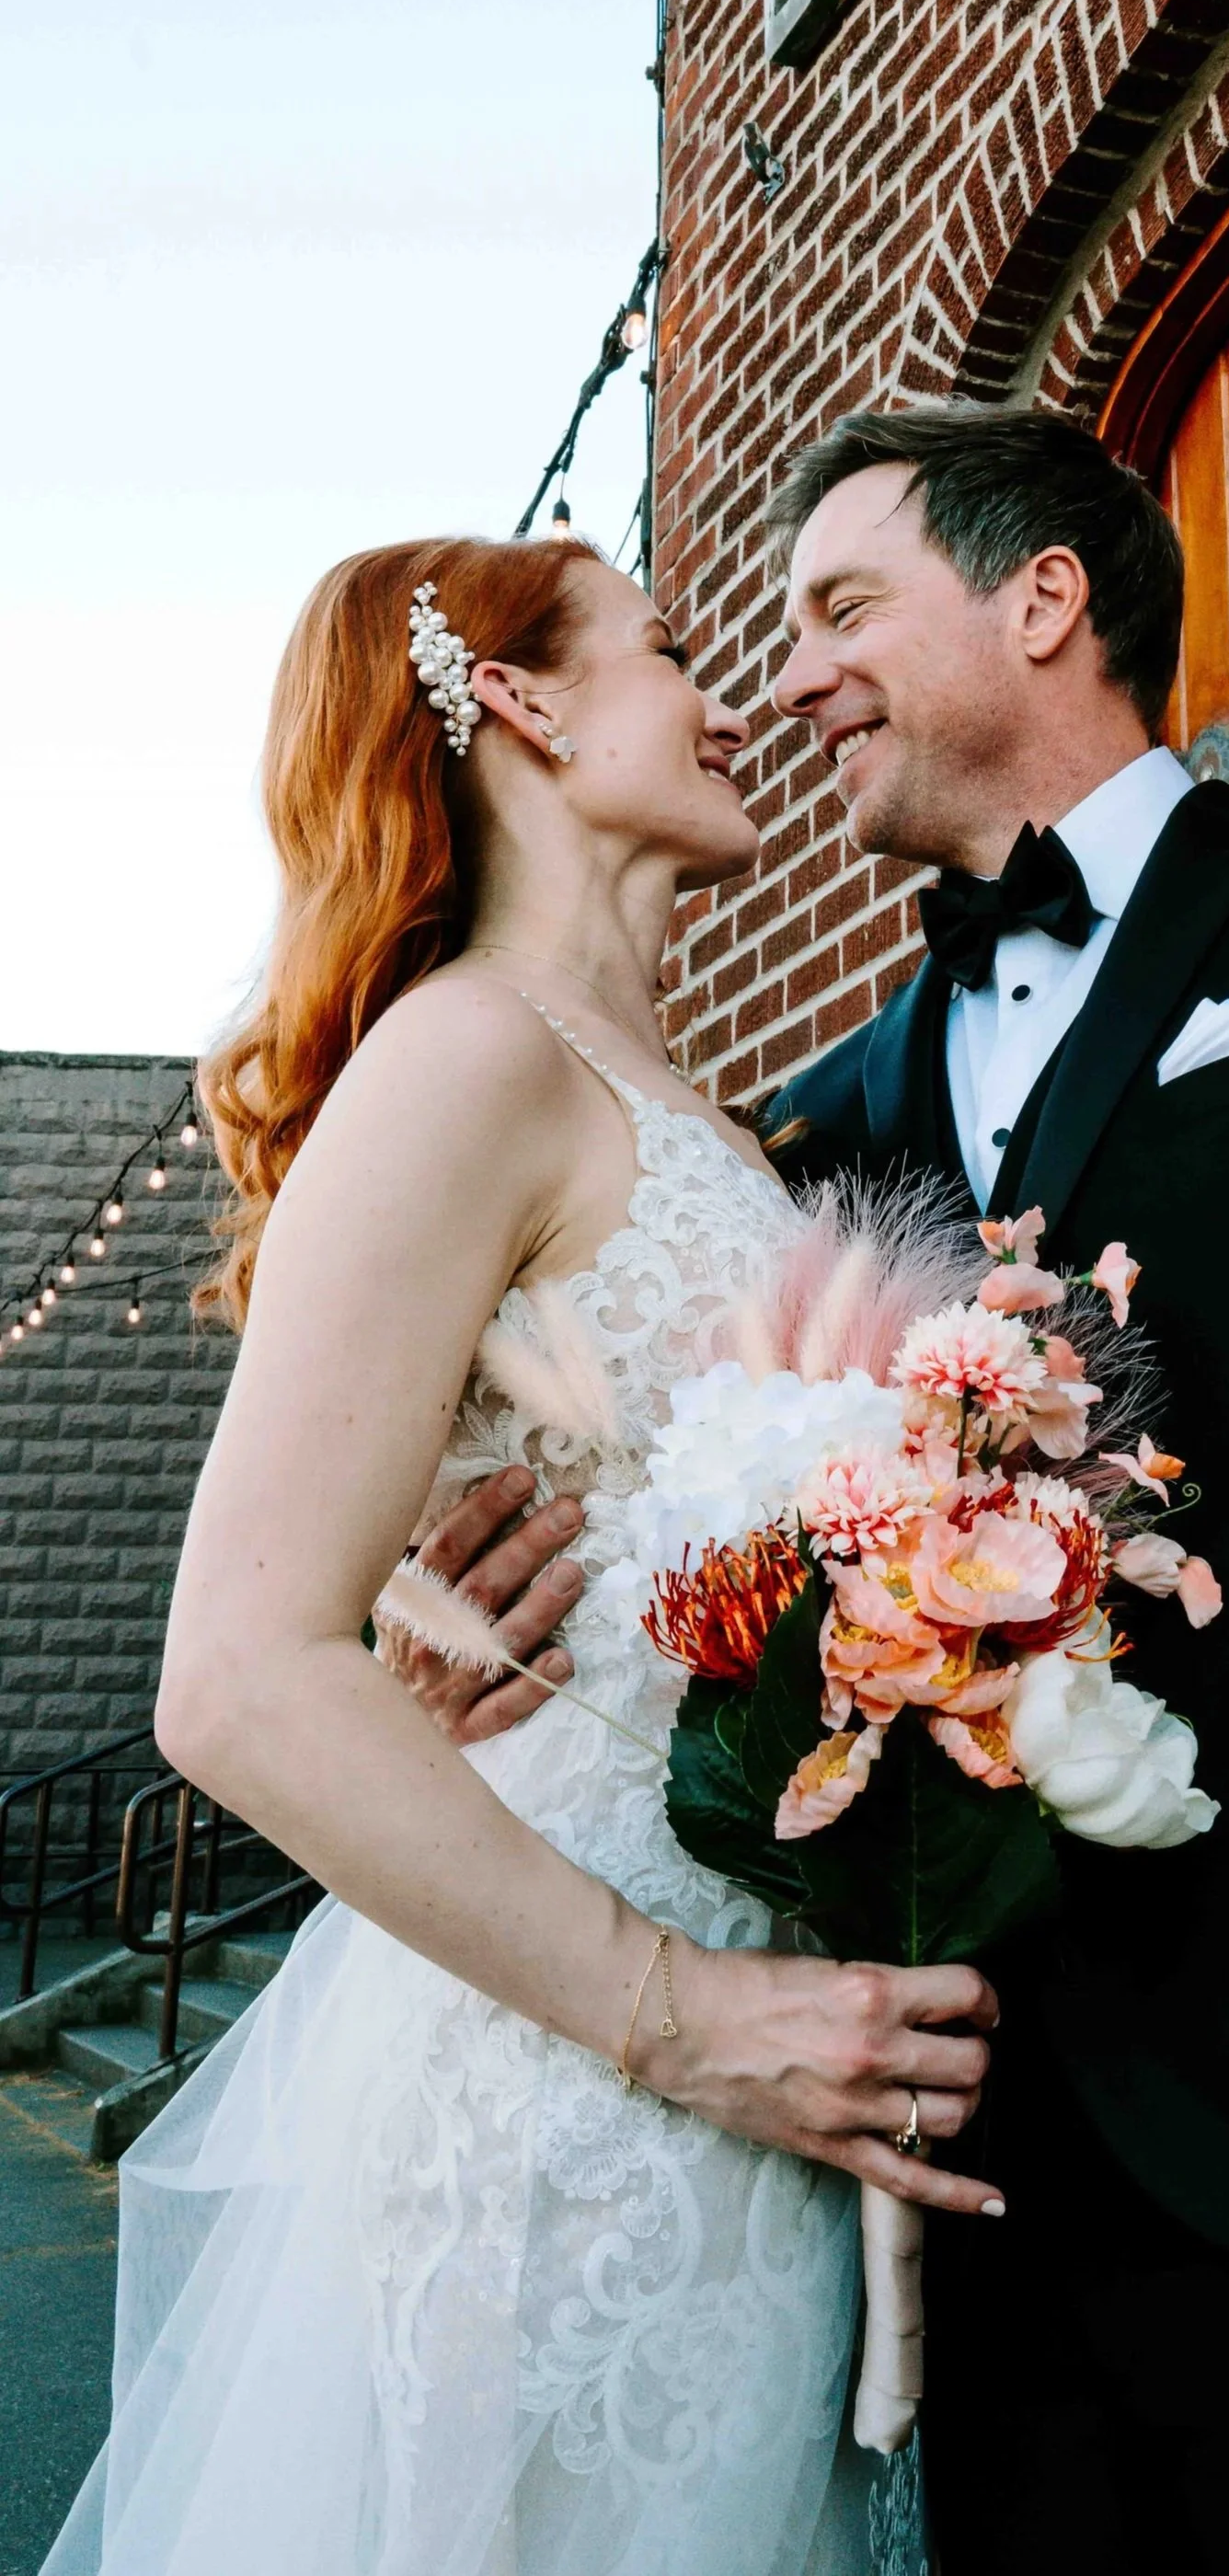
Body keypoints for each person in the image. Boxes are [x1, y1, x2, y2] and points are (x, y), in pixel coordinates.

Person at [414, 405, 1229, 2576]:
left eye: (841, 607)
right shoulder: (815, 1125)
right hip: (994, 2177)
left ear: (1041, 598)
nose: (790, 675)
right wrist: (464, 1619)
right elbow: (635, 1459)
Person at [43, 532, 1002, 2576]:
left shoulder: (714, 1127)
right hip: (583, 2079)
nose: (733, 702)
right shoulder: (467, 1054)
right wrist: (682, 2014)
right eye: (671, 651)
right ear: (527, 704)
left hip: (777, 2077)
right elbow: (235, 1673)